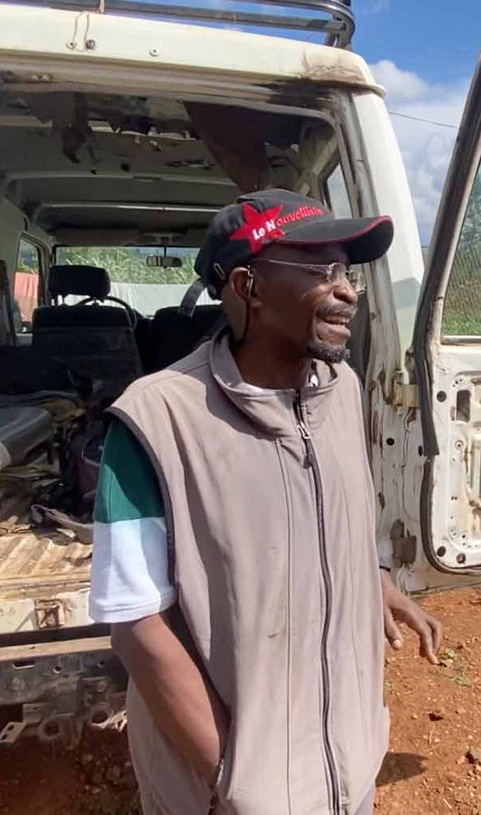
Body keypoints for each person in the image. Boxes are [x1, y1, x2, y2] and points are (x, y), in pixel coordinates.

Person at [88, 188, 444, 815]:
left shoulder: (342, 388)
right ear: (249, 287)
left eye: (347, 271)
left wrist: (375, 577)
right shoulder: (153, 421)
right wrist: (234, 779)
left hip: (346, 769)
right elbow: (136, 627)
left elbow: (340, 510)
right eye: (320, 271)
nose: (348, 292)